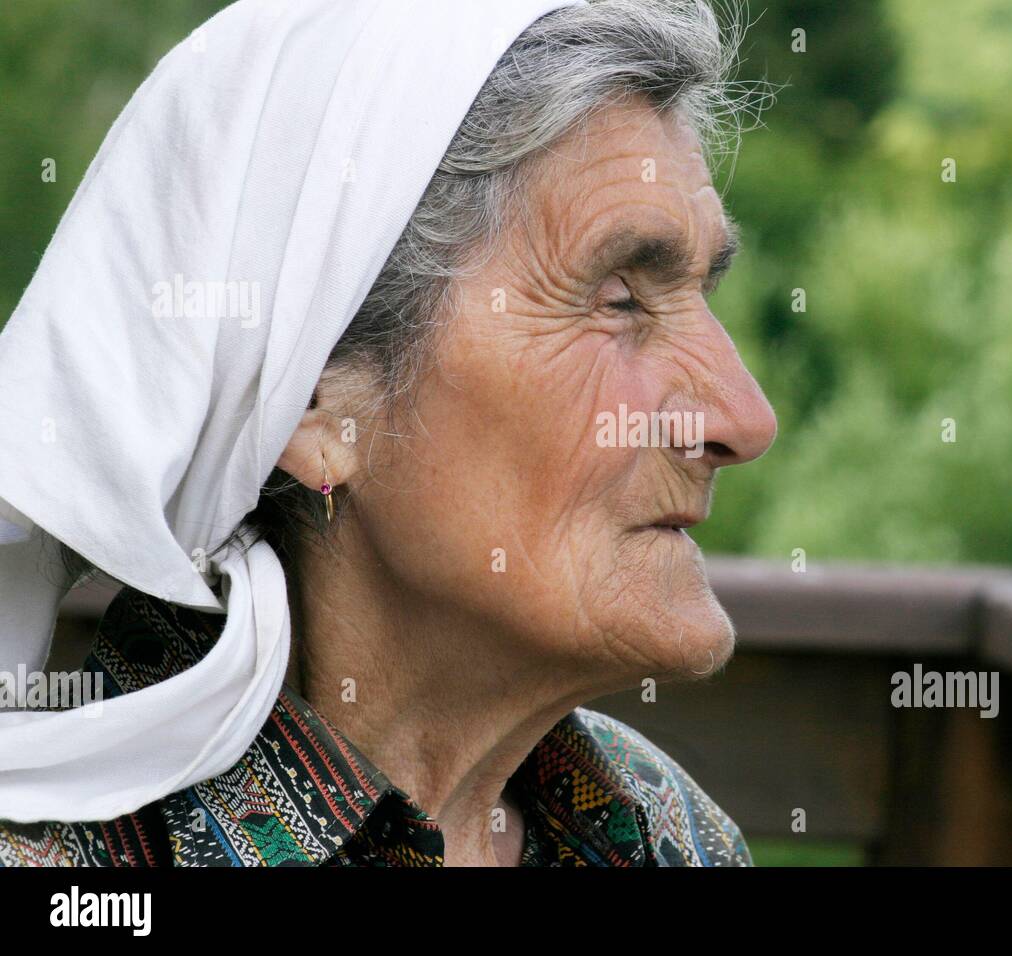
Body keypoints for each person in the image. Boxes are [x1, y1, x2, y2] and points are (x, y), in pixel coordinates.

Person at [0, 0, 775, 867]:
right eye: (621, 300)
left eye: (700, 294)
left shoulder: (672, 837)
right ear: (315, 401)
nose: (742, 419)